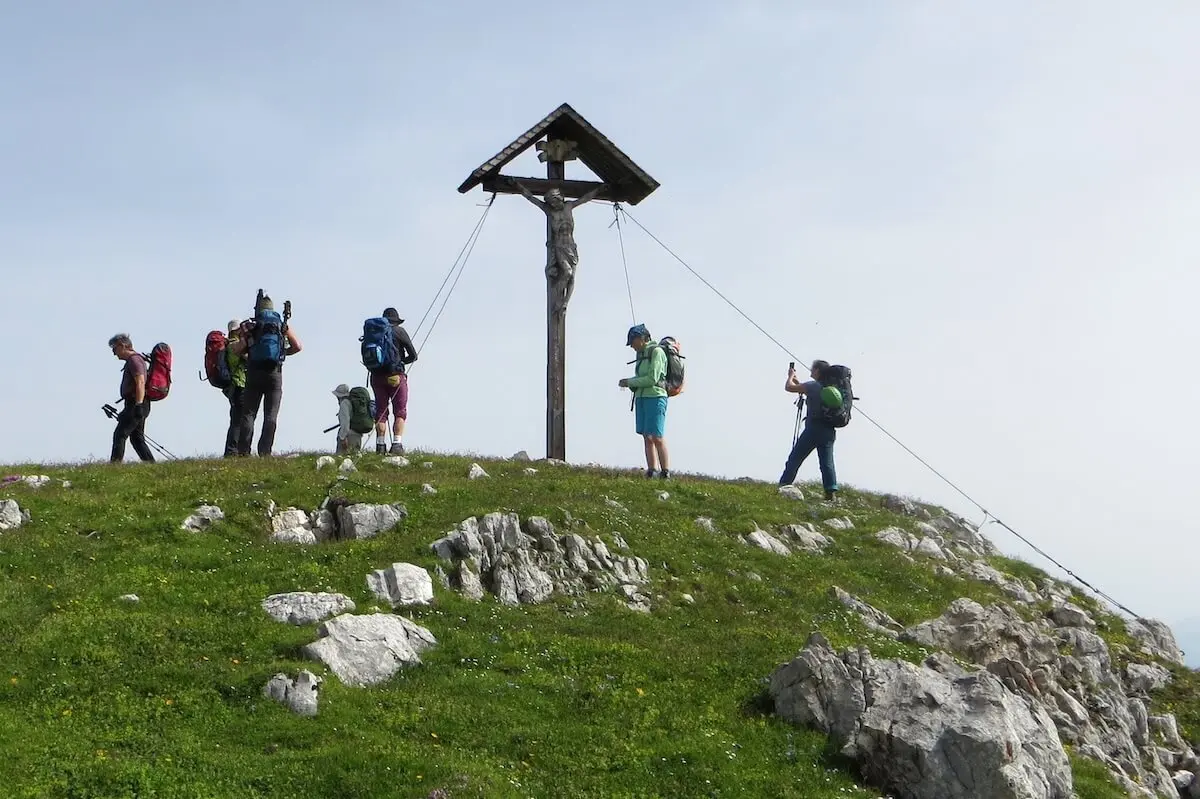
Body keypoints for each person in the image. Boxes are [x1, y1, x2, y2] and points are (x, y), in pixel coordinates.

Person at [232, 295, 302, 457]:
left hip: (254, 372)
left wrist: (247, 352)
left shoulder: (250, 325)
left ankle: (244, 452)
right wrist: (283, 353)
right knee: (271, 415)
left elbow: (237, 350)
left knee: (249, 413)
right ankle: (265, 452)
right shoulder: (281, 325)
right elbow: (298, 346)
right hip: (274, 373)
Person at [779, 359, 838, 501]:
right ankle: (830, 492)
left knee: (795, 457)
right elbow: (803, 389)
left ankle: (784, 484)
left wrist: (790, 376)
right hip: (829, 430)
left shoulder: (812, 386)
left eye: (813, 368)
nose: (811, 370)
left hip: (813, 429)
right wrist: (797, 381)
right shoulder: (830, 388)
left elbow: (789, 387)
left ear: (817, 371)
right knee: (826, 462)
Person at [618, 324, 670, 479]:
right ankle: (652, 470)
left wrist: (630, 382)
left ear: (641, 338)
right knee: (646, 435)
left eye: (633, 342)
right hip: (641, 397)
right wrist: (630, 383)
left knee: (657, 436)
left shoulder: (657, 352)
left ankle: (665, 472)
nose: (632, 346)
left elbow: (652, 379)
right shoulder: (641, 355)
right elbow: (642, 378)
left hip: (656, 396)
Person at [370, 307, 418, 455]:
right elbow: (413, 355)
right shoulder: (399, 331)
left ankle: (380, 445)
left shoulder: (374, 332)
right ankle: (397, 444)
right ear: (396, 320)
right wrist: (400, 362)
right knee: (400, 411)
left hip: (377, 377)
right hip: (396, 376)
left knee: (381, 411)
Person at [108, 333, 155, 463]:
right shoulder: (135, 360)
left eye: (114, 349)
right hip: (137, 403)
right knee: (137, 438)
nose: (114, 353)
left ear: (122, 345)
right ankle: (151, 464)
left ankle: (115, 466)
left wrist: (138, 405)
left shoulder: (135, 360)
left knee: (120, 434)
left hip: (137, 403)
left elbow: (140, 382)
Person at [221, 319, 247, 458]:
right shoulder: (234, 345)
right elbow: (247, 358)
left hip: (233, 386)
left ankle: (232, 450)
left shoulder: (227, 345)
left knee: (236, 418)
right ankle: (232, 451)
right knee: (238, 420)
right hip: (239, 384)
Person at [332, 384, 362, 455]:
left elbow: (345, 422)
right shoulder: (353, 402)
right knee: (354, 460)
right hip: (357, 436)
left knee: (342, 460)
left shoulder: (344, 403)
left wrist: (342, 438)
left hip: (348, 436)